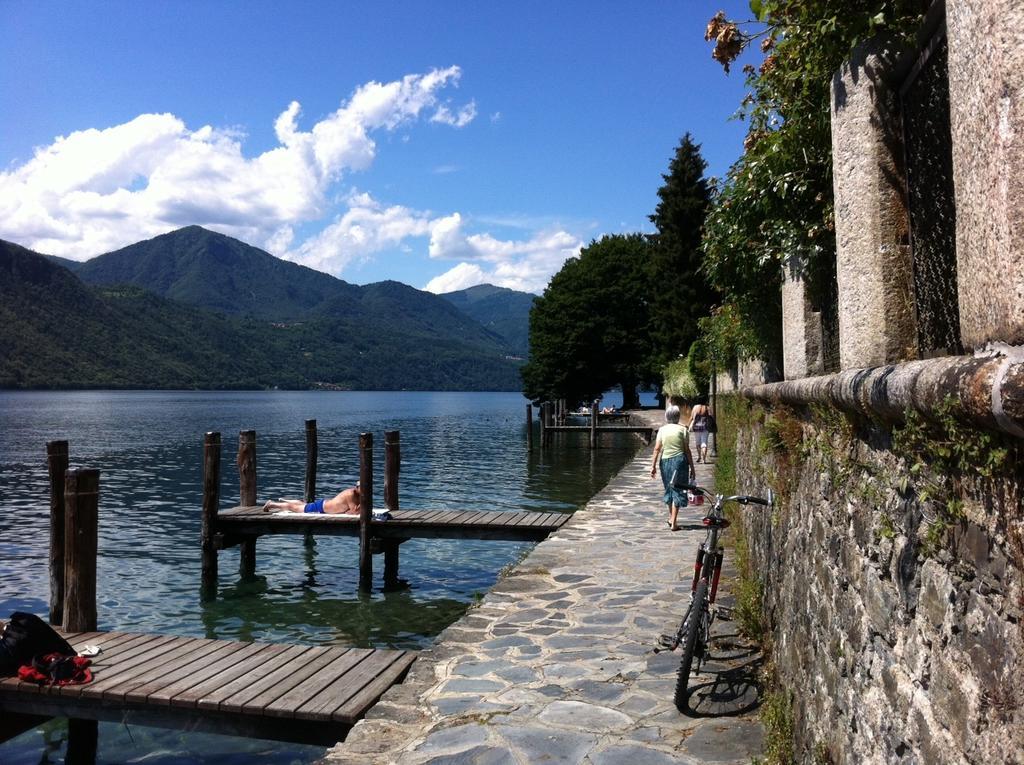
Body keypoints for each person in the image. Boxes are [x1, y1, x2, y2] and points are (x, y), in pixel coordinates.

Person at [650, 405, 696, 531]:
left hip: (665, 461)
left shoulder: (662, 430)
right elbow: (687, 451)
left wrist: (653, 466)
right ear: (678, 416)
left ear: (666, 416)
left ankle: (671, 518)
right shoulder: (683, 430)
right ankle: (674, 521)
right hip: (680, 461)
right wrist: (692, 467)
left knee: (669, 488)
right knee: (678, 489)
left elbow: (657, 449)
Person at [263, 483, 361, 514]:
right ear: (357, 487)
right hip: (321, 508)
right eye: (363, 487)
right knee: (294, 508)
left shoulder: (357, 494)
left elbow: (353, 511)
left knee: (303, 504)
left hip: (325, 505)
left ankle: (283, 500)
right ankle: (271, 504)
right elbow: (355, 512)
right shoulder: (351, 494)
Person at [688, 398, 713, 464]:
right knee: (704, 443)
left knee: (698, 443)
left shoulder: (695, 407)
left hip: (696, 427)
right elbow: (711, 417)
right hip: (705, 427)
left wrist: (688, 425)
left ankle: (699, 456)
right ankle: (704, 460)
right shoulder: (707, 408)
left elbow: (691, 417)